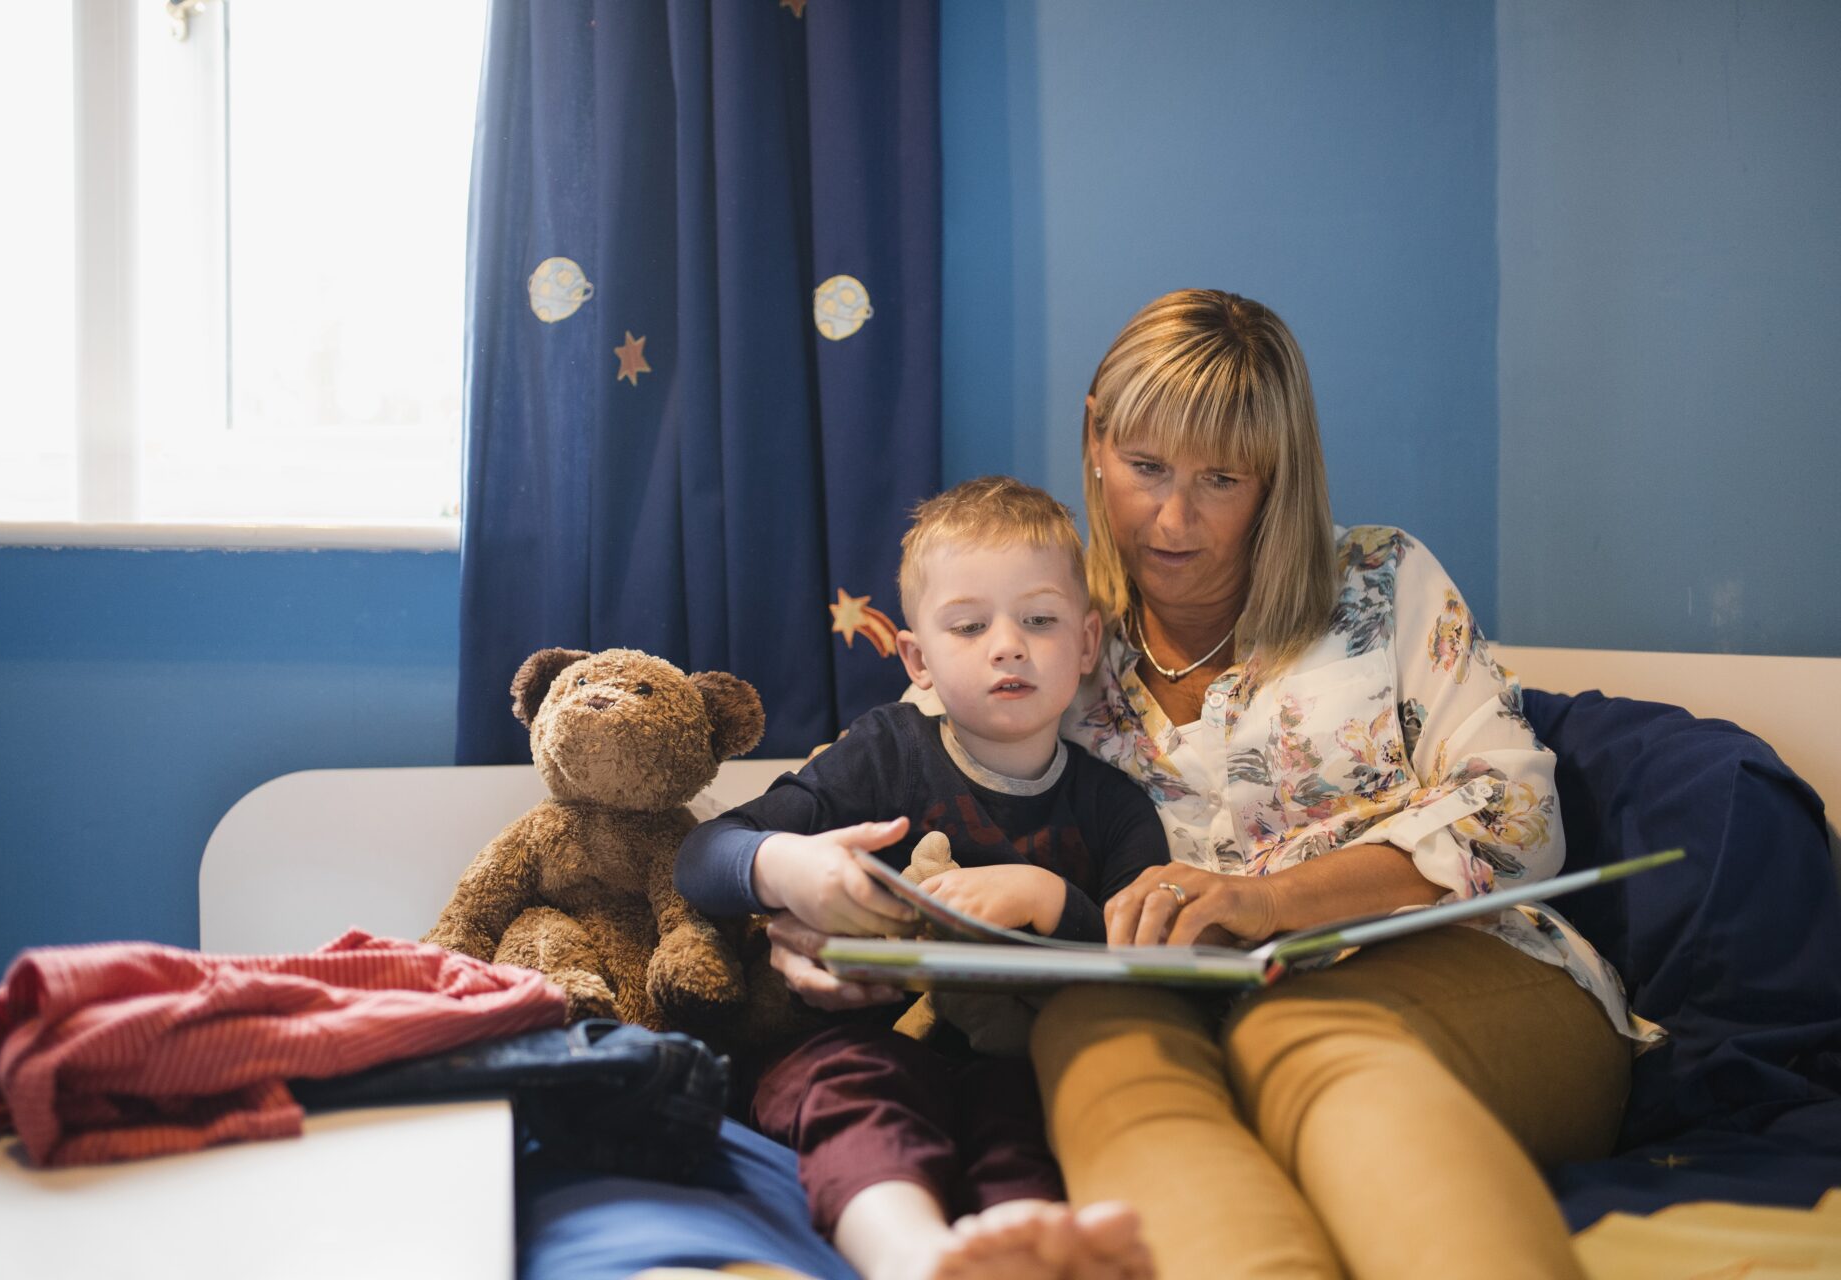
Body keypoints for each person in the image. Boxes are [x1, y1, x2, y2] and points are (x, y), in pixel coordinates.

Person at [764, 291, 1657, 1280]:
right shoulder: (1043, 625)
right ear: (1096, 436)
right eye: (1145, 468)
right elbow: (897, 792)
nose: (1173, 518)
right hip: (1156, 999)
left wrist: (1265, 902)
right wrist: (817, 907)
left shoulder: (1379, 580)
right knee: (1096, 1045)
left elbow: (1517, 816)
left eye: (1220, 479)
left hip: (1457, 970)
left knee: (1305, 1032)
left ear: (1274, 475)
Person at [675, 476, 1165, 1280]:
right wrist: (788, 866)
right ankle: (909, 1255)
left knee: (1031, 1123)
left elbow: (1145, 957)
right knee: (853, 1094)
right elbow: (703, 856)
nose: (1008, 644)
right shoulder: (885, 752)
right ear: (918, 658)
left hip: (1022, 1065)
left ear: (1085, 644)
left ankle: (1019, 1249)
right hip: (855, 1044)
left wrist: (1051, 900)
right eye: (969, 626)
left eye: (1038, 621)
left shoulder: (1112, 807)